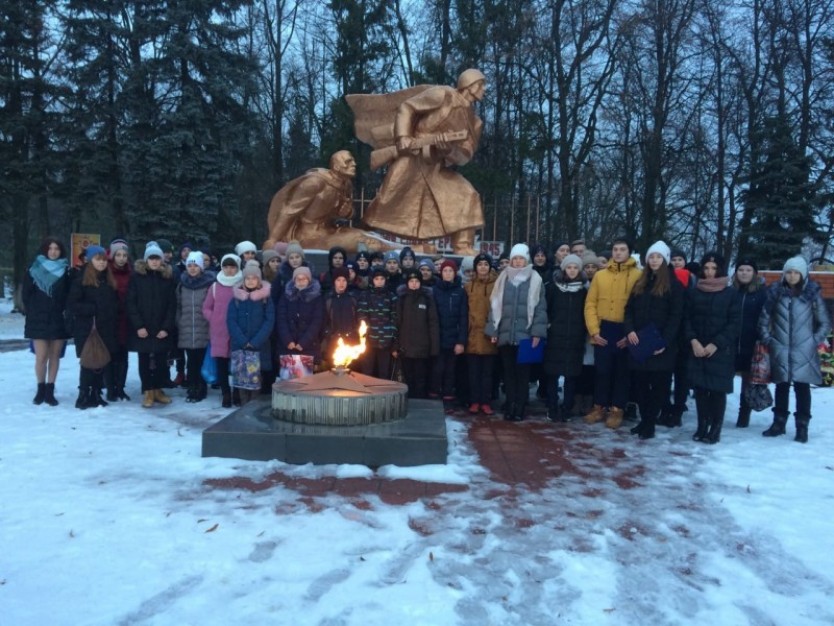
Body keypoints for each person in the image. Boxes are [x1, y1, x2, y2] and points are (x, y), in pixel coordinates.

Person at [347, 69, 487, 255]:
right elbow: (407, 108)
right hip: (412, 157)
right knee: (390, 199)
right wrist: (403, 136)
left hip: (436, 165)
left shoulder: (475, 123)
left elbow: (465, 156)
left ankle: (462, 245)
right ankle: (363, 233)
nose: (484, 89)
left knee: (467, 194)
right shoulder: (443, 94)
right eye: (481, 84)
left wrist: (448, 149)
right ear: (469, 84)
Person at [758, 256, 830, 443]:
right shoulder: (775, 293)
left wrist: (813, 341)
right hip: (780, 348)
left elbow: (824, 322)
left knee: (802, 388)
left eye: (796, 272)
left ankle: (802, 426)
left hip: (804, 350)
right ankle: (778, 423)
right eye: (789, 272)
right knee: (781, 386)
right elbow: (764, 320)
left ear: (802, 274)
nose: (792, 276)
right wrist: (769, 339)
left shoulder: (812, 294)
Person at [623, 242, 684, 439]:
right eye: (652, 256)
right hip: (640, 342)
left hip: (661, 346)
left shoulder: (673, 285)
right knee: (640, 385)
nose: (655, 260)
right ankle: (644, 420)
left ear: (665, 260)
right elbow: (629, 310)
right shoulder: (640, 283)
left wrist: (664, 342)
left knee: (658, 387)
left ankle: (650, 423)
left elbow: (676, 316)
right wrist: (630, 330)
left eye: (659, 257)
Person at [583, 238, 642, 428]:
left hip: (625, 329)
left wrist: (631, 333)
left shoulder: (638, 276)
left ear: (629, 252)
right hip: (604, 328)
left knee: (622, 373)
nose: (617, 253)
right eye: (615, 249)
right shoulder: (601, 276)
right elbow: (590, 304)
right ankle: (599, 406)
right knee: (602, 371)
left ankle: (617, 409)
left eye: (622, 249)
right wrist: (594, 331)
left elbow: (641, 308)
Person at [486, 243, 547, 422]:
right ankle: (510, 404)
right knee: (508, 374)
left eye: (521, 258)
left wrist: (537, 333)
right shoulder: (503, 278)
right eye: (515, 258)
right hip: (506, 334)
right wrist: (493, 330)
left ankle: (520, 407)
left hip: (525, 336)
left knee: (523, 375)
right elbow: (495, 306)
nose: (518, 262)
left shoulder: (535, 279)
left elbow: (540, 309)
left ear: (526, 260)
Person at [684, 252, 740, 444]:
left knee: (717, 391)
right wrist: (693, 341)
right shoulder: (694, 291)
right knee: (700, 389)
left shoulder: (730, 293)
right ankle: (702, 426)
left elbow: (734, 323)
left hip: (719, 349)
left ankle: (715, 429)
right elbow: (687, 319)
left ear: (720, 270)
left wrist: (716, 343)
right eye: (706, 268)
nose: (709, 272)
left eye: (713, 268)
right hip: (698, 347)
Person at [65, 245, 119, 409]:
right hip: (87, 328)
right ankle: (83, 394)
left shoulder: (108, 279)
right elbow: (72, 304)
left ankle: (96, 392)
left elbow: (113, 302)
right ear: (90, 260)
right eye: (98, 259)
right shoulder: (81, 280)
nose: (102, 263)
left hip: (106, 327)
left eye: (104, 260)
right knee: (88, 361)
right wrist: (92, 309)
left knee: (101, 361)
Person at [127, 241, 178, 408]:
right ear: (146, 260)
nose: (155, 262)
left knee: (161, 360)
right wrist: (138, 326)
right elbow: (131, 303)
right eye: (152, 259)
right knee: (144, 360)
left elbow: (172, 305)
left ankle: (158, 389)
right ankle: (148, 391)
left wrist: (166, 327)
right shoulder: (136, 277)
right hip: (143, 327)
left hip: (161, 327)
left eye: (157, 259)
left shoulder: (167, 278)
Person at [23, 236, 71, 406]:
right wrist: (33, 312)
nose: (53, 251)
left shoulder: (66, 271)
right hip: (38, 319)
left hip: (59, 319)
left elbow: (69, 294)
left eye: (56, 248)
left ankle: (50, 389)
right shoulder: (33, 269)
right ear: (45, 250)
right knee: (41, 356)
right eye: (50, 248)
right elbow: (26, 295)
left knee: (55, 356)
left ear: (61, 251)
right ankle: (40, 388)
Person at [543, 254, 588, 422]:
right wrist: (549, 326)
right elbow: (546, 309)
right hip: (555, 337)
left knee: (571, 376)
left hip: (575, 338)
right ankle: (552, 406)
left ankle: (567, 407)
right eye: (569, 267)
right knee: (552, 374)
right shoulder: (553, 288)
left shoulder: (584, 290)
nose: (572, 270)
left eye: (575, 267)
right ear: (563, 269)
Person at [227, 262, 274, 405]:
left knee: (256, 380)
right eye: (248, 278)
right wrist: (242, 340)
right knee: (241, 380)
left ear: (259, 280)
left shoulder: (266, 299)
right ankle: (242, 406)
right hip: (240, 346)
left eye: (254, 278)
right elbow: (231, 321)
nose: (251, 281)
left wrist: (255, 341)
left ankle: (253, 408)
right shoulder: (236, 299)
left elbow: (269, 321)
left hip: (259, 346)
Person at [203, 254, 243, 407]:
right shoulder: (215, 286)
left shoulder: (241, 285)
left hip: (237, 330)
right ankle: (225, 393)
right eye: (226, 267)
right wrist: (213, 318)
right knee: (221, 363)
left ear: (238, 267)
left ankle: (237, 392)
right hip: (219, 331)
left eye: (232, 267)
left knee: (237, 363)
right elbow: (206, 308)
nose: (229, 270)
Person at [731, 257, 767, 427]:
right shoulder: (730, 291)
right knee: (722, 379)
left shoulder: (761, 293)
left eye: (748, 270)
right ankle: (715, 412)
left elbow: (766, 318)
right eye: (741, 270)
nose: (744, 273)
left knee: (747, 382)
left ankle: (743, 415)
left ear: (754, 273)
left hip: (752, 343)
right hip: (730, 343)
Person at [176, 251, 215, 402]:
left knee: (201, 359)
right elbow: (178, 306)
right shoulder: (182, 284)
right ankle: (192, 386)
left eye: (195, 265)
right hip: (186, 328)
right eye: (190, 265)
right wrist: (179, 321)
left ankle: (201, 387)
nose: (192, 268)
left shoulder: (209, 284)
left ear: (201, 267)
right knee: (190, 360)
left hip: (203, 327)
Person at [396, 269, 440, 398]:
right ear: (407, 283)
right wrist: (396, 345)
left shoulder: (427, 298)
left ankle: (420, 401)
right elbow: (397, 323)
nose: (414, 284)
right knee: (408, 377)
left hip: (422, 347)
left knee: (421, 377)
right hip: (406, 346)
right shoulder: (402, 299)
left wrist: (434, 347)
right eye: (411, 281)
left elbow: (433, 323)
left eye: (416, 281)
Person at [464, 253, 499, 415]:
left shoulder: (497, 285)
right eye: (480, 264)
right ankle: (474, 401)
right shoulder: (468, 286)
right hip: (472, 335)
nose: (483, 267)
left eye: (486, 264)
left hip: (489, 334)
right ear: (475, 267)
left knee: (487, 373)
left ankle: (486, 401)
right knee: (472, 373)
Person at [432, 260, 469, 401]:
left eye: (450, 271)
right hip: (438, 337)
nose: (447, 274)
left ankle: (448, 393)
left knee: (450, 369)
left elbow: (463, 317)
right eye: (445, 271)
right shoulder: (435, 291)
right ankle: (435, 392)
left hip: (454, 338)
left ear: (455, 273)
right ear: (441, 273)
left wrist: (461, 341)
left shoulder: (460, 291)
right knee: (437, 368)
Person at [276, 266, 324, 371]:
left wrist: (304, 342)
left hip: (308, 346)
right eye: (298, 279)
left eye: (304, 279)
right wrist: (287, 340)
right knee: (289, 383)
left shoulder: (316, 298)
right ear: (294, 281)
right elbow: (281, 319)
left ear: (309, 280)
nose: (301, 281)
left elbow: (317, 321)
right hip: (288, 346)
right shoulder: (285, 296)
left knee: (306, 384)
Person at [357, 268, 398, 379]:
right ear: (372, 280)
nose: (379, 281)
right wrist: (366, 336)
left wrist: (392, 338)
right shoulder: (365, 295)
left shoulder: (392, 297)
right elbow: (362, 317)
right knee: (367, 372)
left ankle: (383, 395)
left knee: (384, 373)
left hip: (386, 342)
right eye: (376, 279)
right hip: (368, 342)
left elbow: (395, 318)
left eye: (382, 279)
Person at [105, 238, 132, 401]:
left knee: (123, 356)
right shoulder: (106, 272)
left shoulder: (131, 273)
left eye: (124, 255)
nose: (121, 258)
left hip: (126, 320)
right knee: (110, 356)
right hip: (110, 320)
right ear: (113, 256)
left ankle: (121, 387)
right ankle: (110, 387)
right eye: (118, 255)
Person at [321, 266, 360, 369]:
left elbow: (358, 321)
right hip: (332, 344)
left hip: (350, 344)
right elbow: (323, 322)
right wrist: (328, 334)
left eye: (344, 280)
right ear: (334, 282)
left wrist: (354, 335)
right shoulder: (328, 300)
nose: (341, 283)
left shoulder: (353, 300)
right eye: (338, 280)